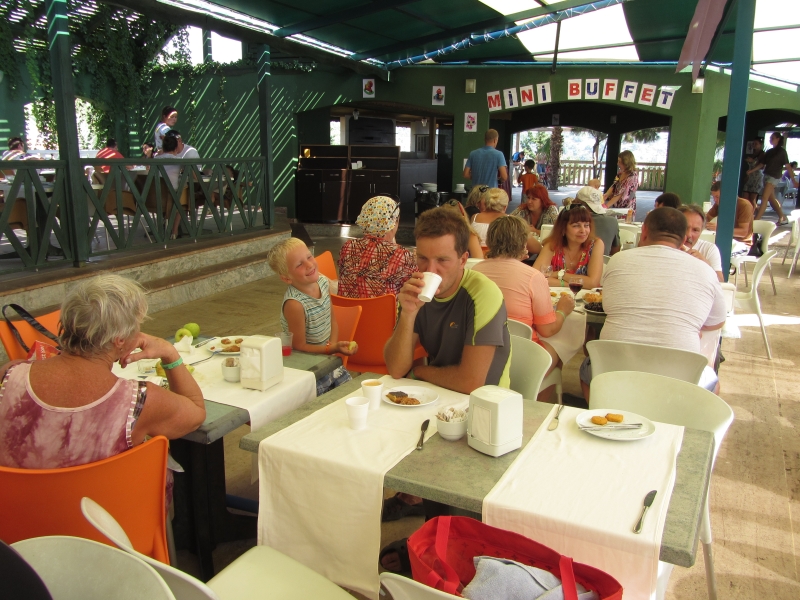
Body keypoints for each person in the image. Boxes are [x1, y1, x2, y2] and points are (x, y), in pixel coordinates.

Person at [0, 274, 206, 505]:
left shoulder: (9, 375)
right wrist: (169, 352)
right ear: (120, 340)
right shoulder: (138, 400)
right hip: (109, 522)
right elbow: (196, 412)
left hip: (17, 519)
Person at [380, 207, 511, 554]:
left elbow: (472, 382)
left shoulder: (482, 293)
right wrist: (408, 314)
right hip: (438, 402)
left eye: (442, 261)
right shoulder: (415, 291)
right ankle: (430, 538)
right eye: (422, 259)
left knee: (453, 489)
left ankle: (448, 549)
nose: (430, 270)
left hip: (486, 410)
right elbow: (395, 367)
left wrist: (421, 370)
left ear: (464, 259)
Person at [578, 208, 726, 399]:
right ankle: (679, 415)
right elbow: (717, 322)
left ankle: (605, 409)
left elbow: (608, 305)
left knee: (587, 368)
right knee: (714, 383)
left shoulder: (618, 261)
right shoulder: (705, 270)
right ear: (683, 240)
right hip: (679, 377)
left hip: (615, 370)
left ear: (644, 231)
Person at [472, 215, 573, 399]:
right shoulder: (532, 276)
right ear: (523, 241)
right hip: (520, 357)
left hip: (479, 354)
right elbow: (548, 329)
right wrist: (563, 311)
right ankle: (533, 403)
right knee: (558, 350)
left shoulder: (474, 271)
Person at [268, 238, 356, 395]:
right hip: (309, 370)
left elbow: (333, 321)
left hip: (327, 360)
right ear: (287, 278)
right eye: (299, 264)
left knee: (349, 394)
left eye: (309, 257)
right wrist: (331, 349)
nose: (309, 265)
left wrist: (332, 349)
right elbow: (299, 346)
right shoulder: (295, 304)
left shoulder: (323, 282)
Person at [337, 196, 416, 298]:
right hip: (383, 309)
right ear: (394, 222)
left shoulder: (347, 247)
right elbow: (416, 287)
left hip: (347, 308)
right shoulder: (402, 255)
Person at [533, 204, 605, 289]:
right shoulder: (552, 245)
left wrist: (560, 274)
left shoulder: (596, 244)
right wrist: (569, 285)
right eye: (576, 226)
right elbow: (535, 277)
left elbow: (592, 283)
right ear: (563, 228)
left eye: (586, 225)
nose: (583, 230)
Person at [752, 132, 791, 224]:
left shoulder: (782, 152)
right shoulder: (769, 152)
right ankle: (782, 217)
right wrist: (751, 170)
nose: (770, 140)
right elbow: (762, 164)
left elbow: (788, 166)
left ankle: (756, 220)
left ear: (778, 139)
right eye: (770, 138)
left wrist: (793, 179)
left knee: (764, 197)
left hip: (774, 176)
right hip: (767, 175)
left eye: (772, 138)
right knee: (771, 199)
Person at [679, 204, 724, 282]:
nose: (689, 235)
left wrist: (705, 264)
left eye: (695, 230)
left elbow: (720, 282)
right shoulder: (666, 247)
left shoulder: (709, 249)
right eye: (685, 228)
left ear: (701, 231)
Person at [572, 186, 620, 255]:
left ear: (577, 203)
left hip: (575, 261)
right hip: (604, 261)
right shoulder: (613, 221)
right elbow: (615, 252)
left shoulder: (570, 221)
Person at [743, 138, 765, 208]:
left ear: (760, 145)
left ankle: (753, 212)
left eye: (756, 144)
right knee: (745, 197)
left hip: (757, 177)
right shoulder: (753, 153)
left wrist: (752, 161)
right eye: (753, 144)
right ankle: (747, 211)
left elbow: (762, 166)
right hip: (750, 177)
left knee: (752, 199)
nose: (754, 145)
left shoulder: (762, 154)